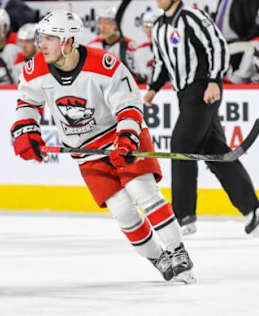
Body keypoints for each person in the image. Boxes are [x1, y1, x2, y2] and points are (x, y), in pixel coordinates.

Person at [10, 9, 195, 283]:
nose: (42, 44)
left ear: (67, 41)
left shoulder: (104, 64)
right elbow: (27, 101)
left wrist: (127, 136)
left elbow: (129, 104)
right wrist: (26, 129)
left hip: (120, 137)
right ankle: (159, 258)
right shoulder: (35, 68)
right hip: (86, 151)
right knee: (122, 211)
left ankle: (178, 251)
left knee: (142, 191)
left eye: (49, 38)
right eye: (41, 37)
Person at [144, 0, 259, 236]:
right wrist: (152, 89)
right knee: (217, 154)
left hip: (204, 89)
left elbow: (217, 46)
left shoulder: (192, 16)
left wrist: (214, 80)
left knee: (181, 145)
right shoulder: (160, 26)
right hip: (185, 95)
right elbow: (162, 62)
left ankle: (183, 216)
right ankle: (254, 211)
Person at [87, 7, 143, 83]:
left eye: (107, 22)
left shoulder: (130, 46)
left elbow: (139, 76)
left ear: (117, 25)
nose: (102, 27)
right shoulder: (92, 46)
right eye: (100, 22)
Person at [133, 11, 162, 85]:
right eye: (147, 26)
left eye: (153, 25)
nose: (150, 30)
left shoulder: (174, 48)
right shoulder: (139, 52)